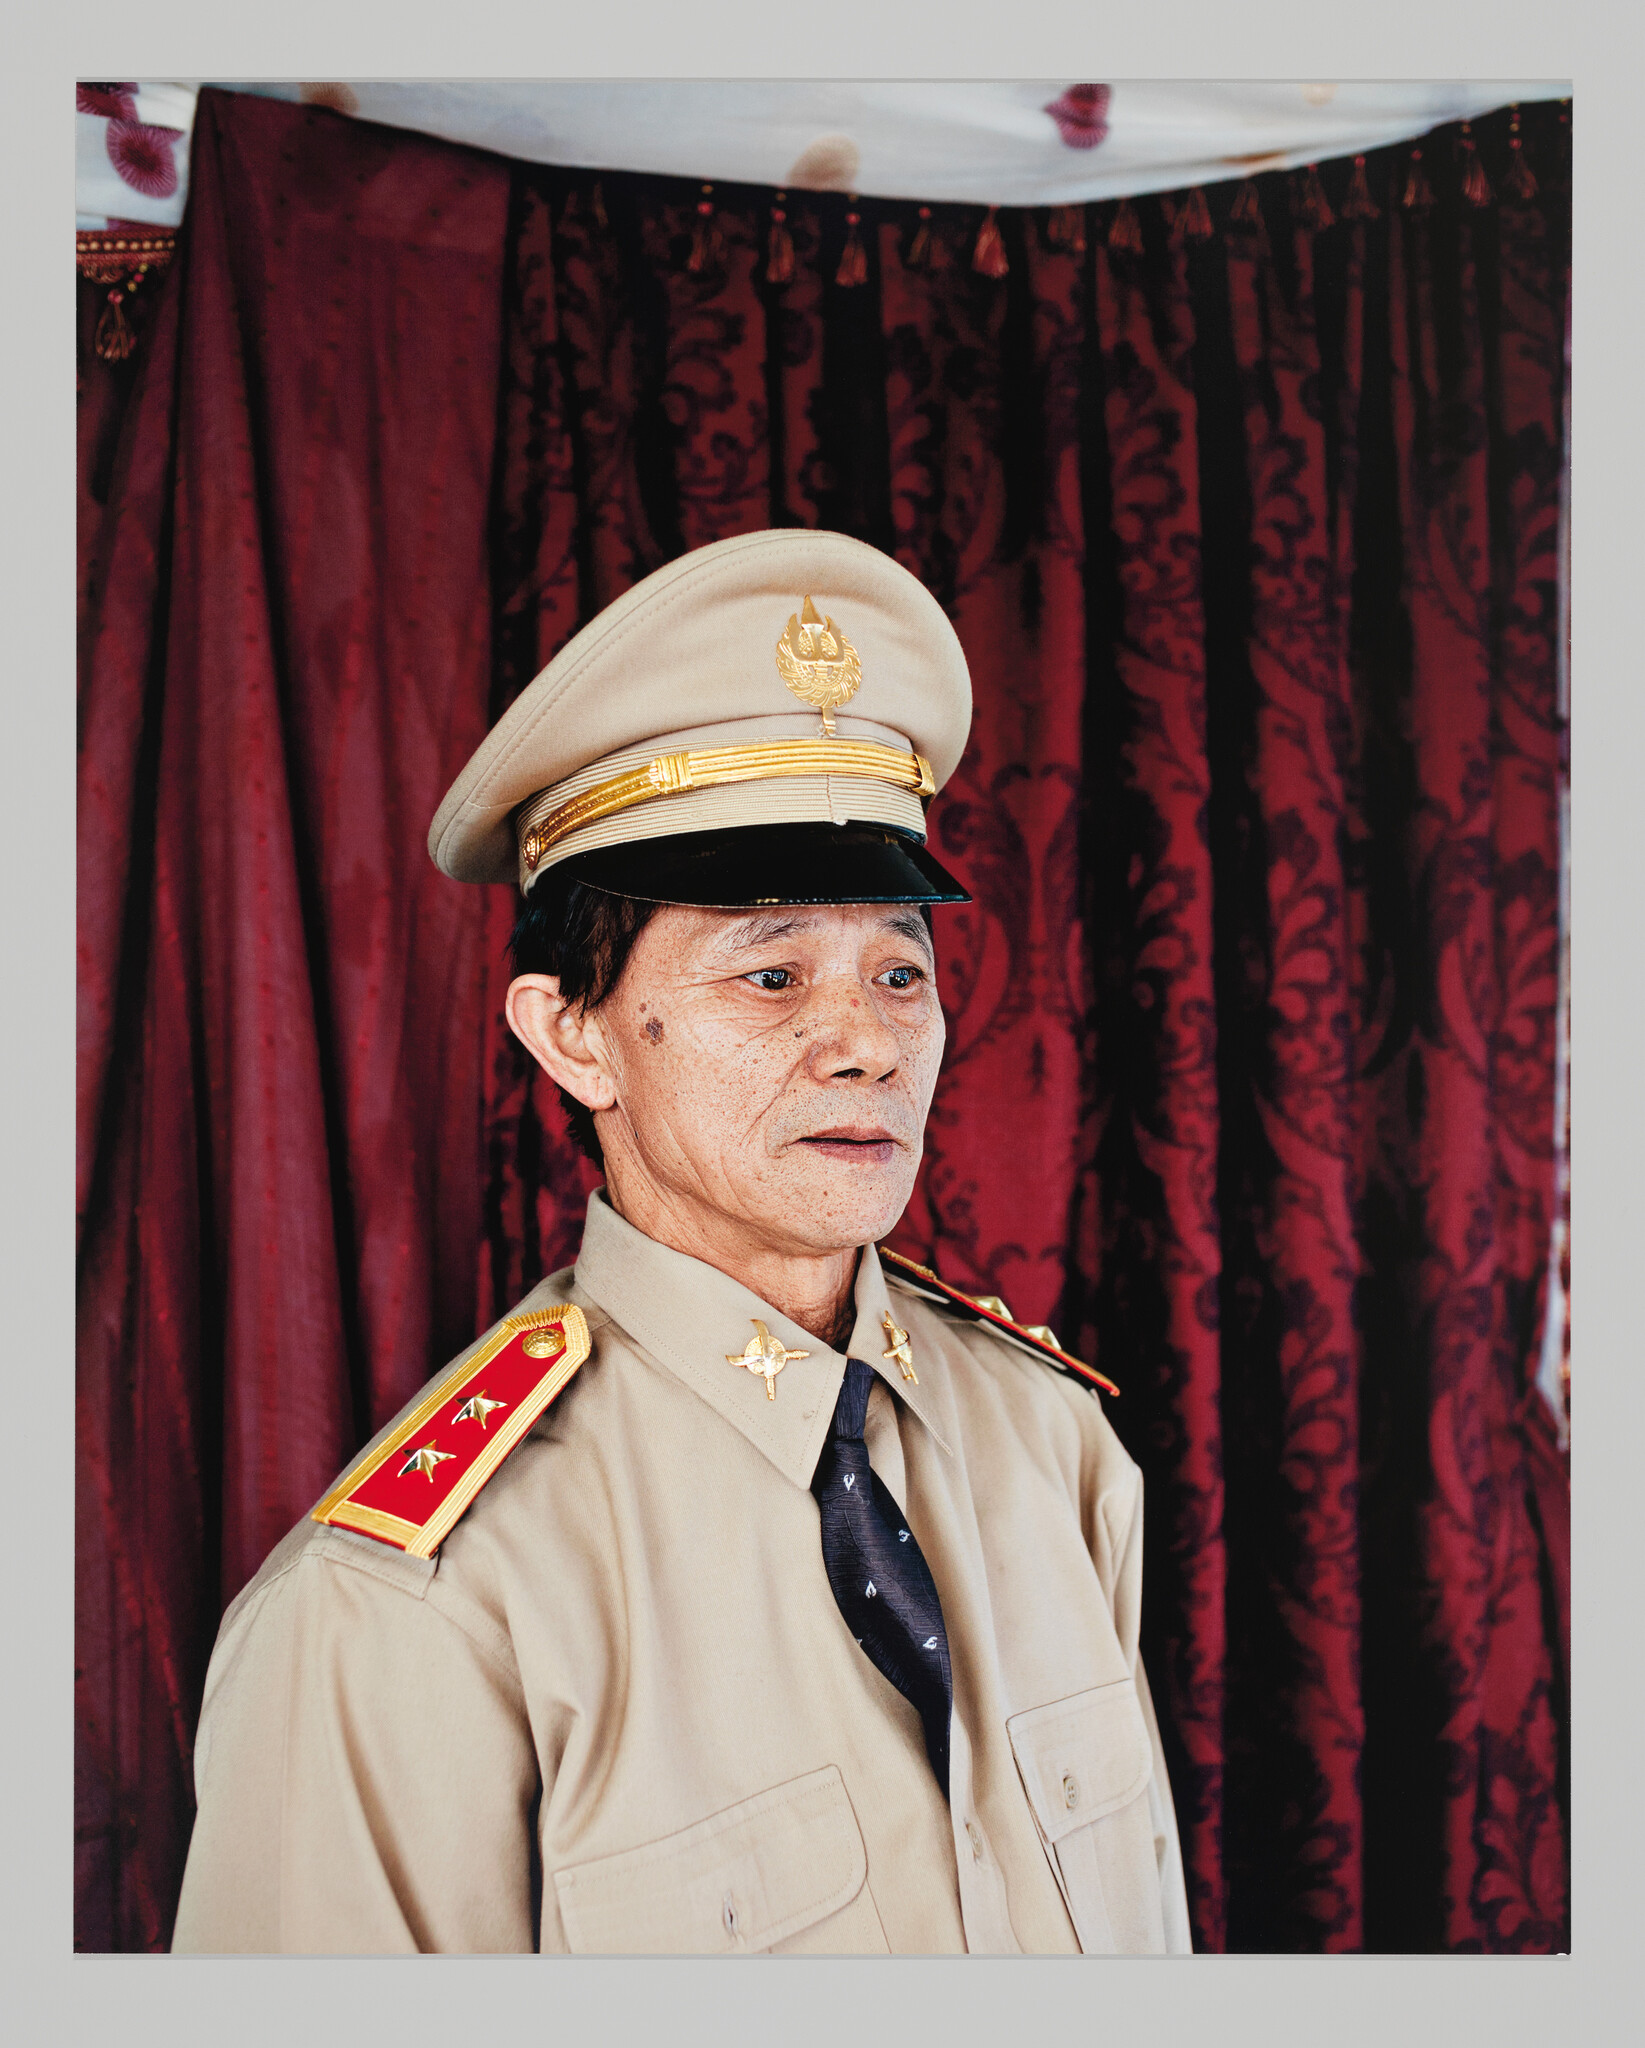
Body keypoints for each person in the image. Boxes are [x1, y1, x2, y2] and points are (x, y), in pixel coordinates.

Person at [172, 528, 1191, 1955]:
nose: (864, 1046)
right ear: (571, 1033)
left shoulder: (1050, 1444)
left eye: (900, 973)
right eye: (770, 974)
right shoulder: (409, 1611)